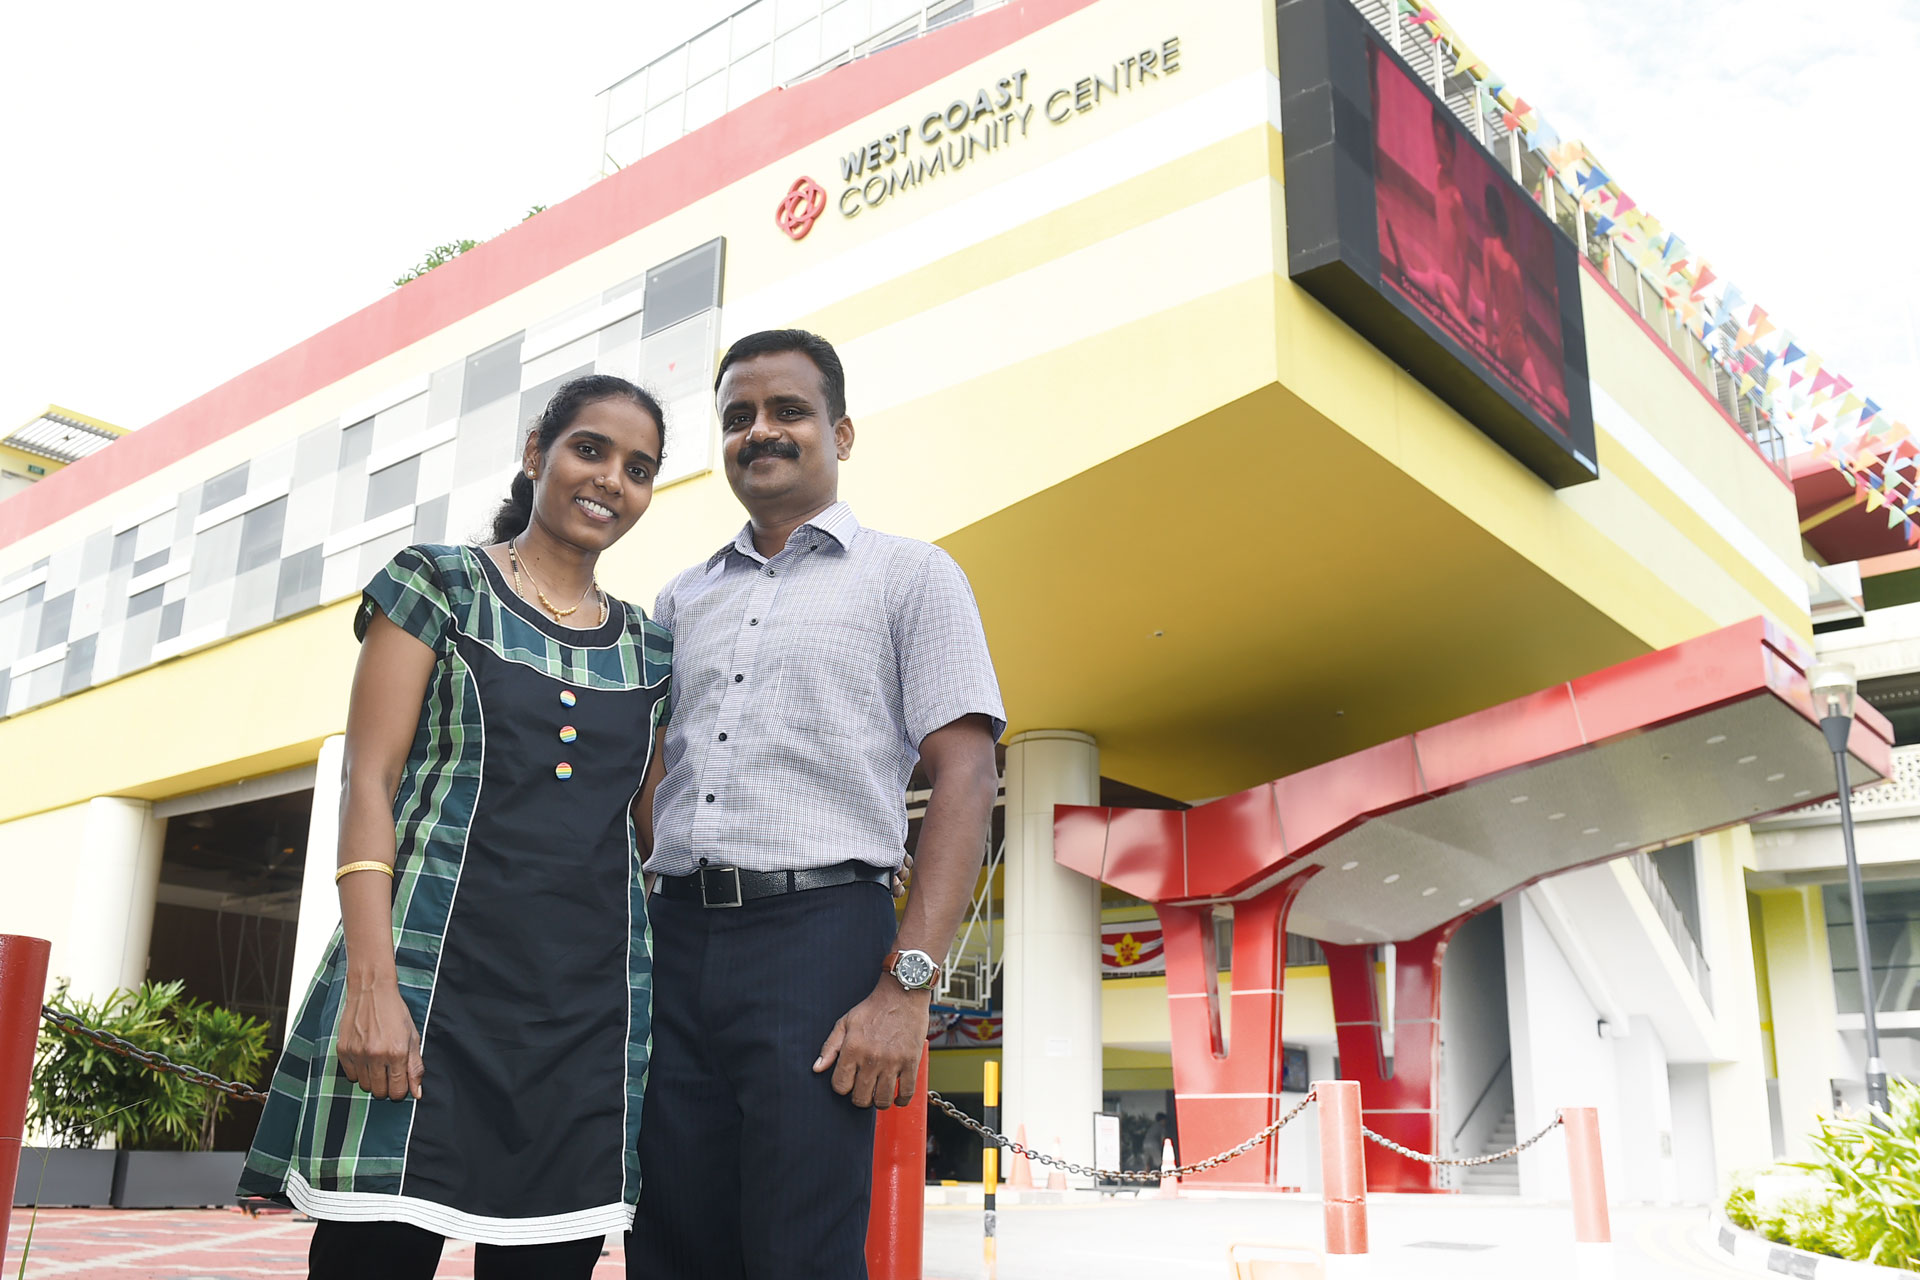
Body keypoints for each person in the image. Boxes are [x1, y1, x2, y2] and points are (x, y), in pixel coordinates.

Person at [239, 375, 673, 1280]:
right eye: (590, 449)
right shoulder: (437, 584)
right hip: (425, 990)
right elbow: (369, 782)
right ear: (536, 452)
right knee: (371, 1261)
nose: (611, 480)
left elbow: (656, 833)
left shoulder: (651, 649)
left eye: (639, 468)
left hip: (584, 1019)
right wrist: (373, 986)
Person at [629, 329, 1004, 1280]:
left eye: (788, 410)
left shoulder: (913, 576)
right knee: (667, 1237)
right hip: (673, 942)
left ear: (840, 433)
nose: (760, 431)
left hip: (820, 941)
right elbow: (651, 774)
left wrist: (907, 988)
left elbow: (965, 776)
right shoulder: (679, 600)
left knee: (800, 1249)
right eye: (738, 417)